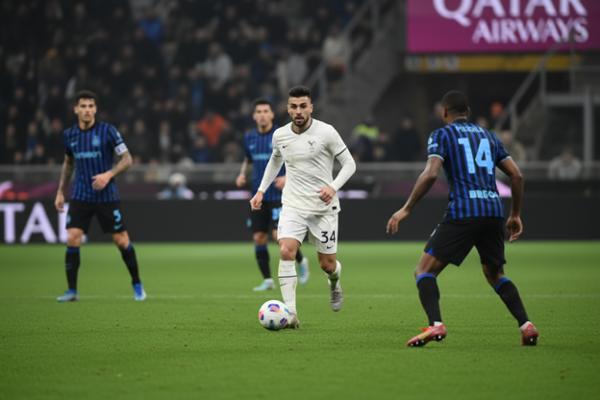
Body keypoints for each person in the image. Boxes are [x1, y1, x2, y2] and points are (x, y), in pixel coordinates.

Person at [386, 90, 538, 347]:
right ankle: (526, 326)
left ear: (444, 112)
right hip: (493, 211)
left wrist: (407, 208)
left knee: (424, 270)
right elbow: (517, 175)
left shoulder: (442, 135)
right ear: (467, 111)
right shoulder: (490, 136)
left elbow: (431, 174)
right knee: (495, 274)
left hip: (464, 211)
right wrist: (515, 214)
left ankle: (436, 325)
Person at [250, 86, 356, 328]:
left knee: (327, 265)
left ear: (311, 108)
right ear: (288, 109)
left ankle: (334, 283)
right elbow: (275, 160)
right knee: (286, 250)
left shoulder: (326, 132)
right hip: (293, 205)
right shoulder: (280, 135)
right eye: (293, 107)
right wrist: (261, 190)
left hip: (323, 208)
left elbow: (350, 164)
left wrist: (333, 187)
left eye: (303, 106)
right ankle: (291, 313)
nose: (298, 111)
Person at [54, 90, 146, 302]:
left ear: (95, 109)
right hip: (81, 195)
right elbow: (68, 163)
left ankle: (137, 284)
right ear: (76, 109)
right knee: (72, 237)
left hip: (106, 196)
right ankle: (72, 291)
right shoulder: (69, 135)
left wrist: (108, 175)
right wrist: (60, 191)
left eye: (91, 106)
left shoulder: (108, 131)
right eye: (83, 106)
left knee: (121, 240)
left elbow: (127, 159)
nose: (87, 110)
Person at [237, 98, 309, 291]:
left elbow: (298, 160)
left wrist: (287, 177)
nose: (262, 115)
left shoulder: (282, 135)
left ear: (272, 114)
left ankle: (301, 261)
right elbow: (247, 159)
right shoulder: (249, 138)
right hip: (258, 196)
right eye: (258, 111)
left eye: (265, 111)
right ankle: (268, 280)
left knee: (280, 237)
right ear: (254, 116)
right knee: (259, 238)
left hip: (280, 196)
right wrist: (242, 174)